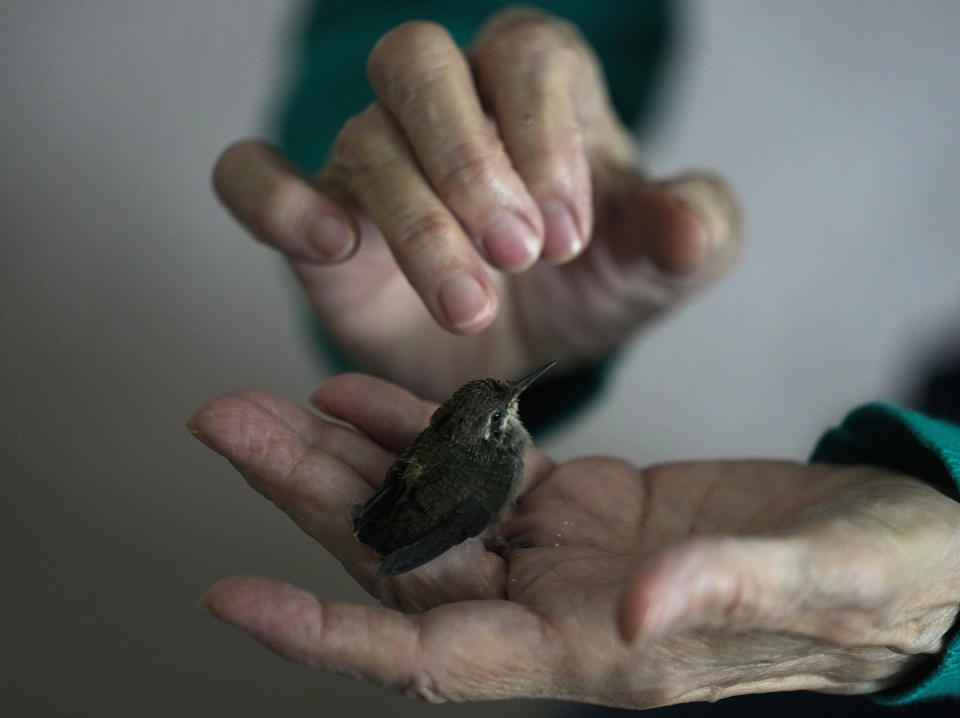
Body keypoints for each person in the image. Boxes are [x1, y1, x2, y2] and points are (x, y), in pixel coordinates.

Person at [190, 4, 960, 711]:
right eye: (503, 406)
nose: (513, 407)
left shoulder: (488, 462)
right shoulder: (495, 463)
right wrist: (416, 181)